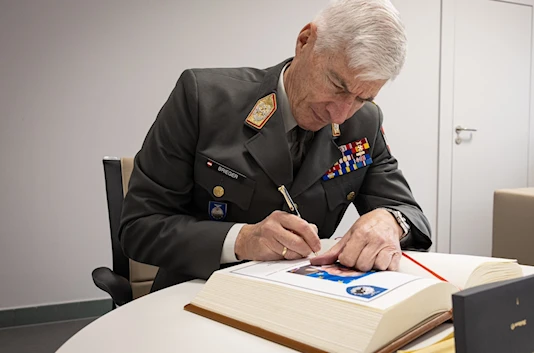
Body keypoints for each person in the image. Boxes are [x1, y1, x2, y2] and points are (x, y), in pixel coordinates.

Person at [119, 0, 432, 292]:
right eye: (337, 85)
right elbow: (139, 227)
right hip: (197, 296)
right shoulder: (203, 99)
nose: (340, 113)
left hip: (303, 299)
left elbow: (410, 215)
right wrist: (242, 239)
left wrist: (389, 221)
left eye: (363, 98)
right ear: (305, 41)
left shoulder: (363, 122)